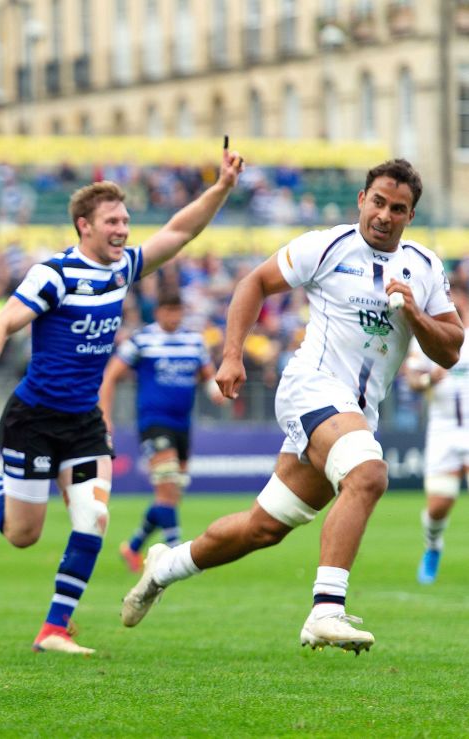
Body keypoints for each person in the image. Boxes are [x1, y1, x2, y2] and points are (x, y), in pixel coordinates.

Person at [121, 159, 463, 654]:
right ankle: (326, 610)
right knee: (369, 475)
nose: (385, 214)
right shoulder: (325, 246)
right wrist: (233, 353)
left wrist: (413, 310)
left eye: (399, 208)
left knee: (263, 527)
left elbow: (450, 348)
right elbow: (254, 283)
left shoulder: (426, 268)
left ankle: (164, 568)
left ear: (410, 216)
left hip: (355, 416)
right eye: (379, 202)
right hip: (311, 388)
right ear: (361, 201)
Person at [0, 141, 244, 655]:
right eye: (112, 222)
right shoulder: (54, 274)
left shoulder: (122, 268)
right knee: (21, 535)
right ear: (84, 225)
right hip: (34, 418)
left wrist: (221, 187)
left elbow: (180, 231)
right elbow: (5, 322)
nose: (122, 229)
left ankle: (55, 627)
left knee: (94, 519)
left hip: (84, 422)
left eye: (125, 220)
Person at [98, 289, 225, 572]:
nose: (173, 316)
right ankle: (176, 553)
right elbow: (111, 376)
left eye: (177, 311)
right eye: (168, 311)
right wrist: (105, 417)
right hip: (153, 422)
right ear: (158, 313)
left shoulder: (194, 341)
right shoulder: (142, 340)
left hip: (183, 425)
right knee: (167, 488)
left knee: (170, 496)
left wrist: (216, 391)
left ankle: (132, 547)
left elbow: (209, 376)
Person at [404, 284, 469, 584]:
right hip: (443, 429)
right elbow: (412, 379)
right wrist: (431, 377)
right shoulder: (427, 340)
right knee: (439, 505)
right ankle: (433, 547)